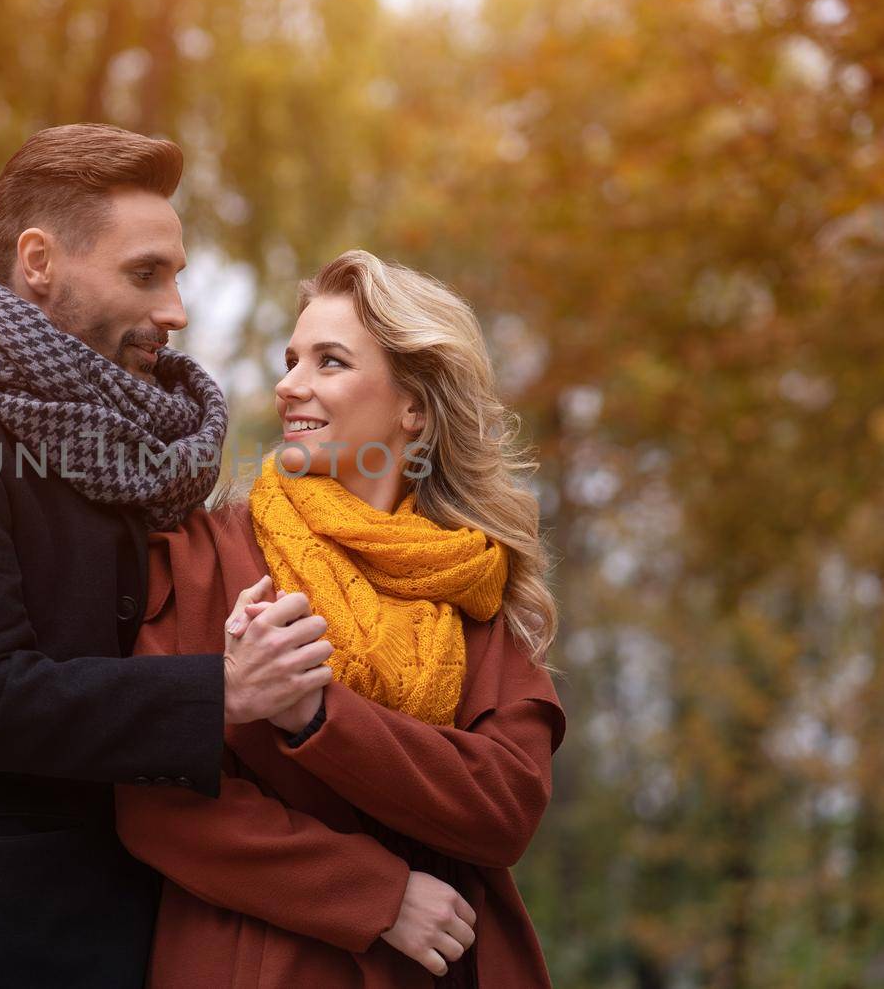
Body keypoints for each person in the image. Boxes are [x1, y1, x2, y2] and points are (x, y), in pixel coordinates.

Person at [0, 124, 334, 987]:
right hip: (15, 954)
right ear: (39, 260)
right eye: (146, 274)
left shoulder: (137, 447)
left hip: (178, 941)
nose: (176, 309)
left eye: (177, 273)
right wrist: (222, 690)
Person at [116, 249, 567, 988]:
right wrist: (378, 895)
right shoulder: (208, 554)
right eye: (291, 359)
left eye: (329, 362)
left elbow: (505, 806)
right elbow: (153, 799)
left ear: (413, 405)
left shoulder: (472, 580)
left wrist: (317, 713)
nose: (289, 385)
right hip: (260, 966)